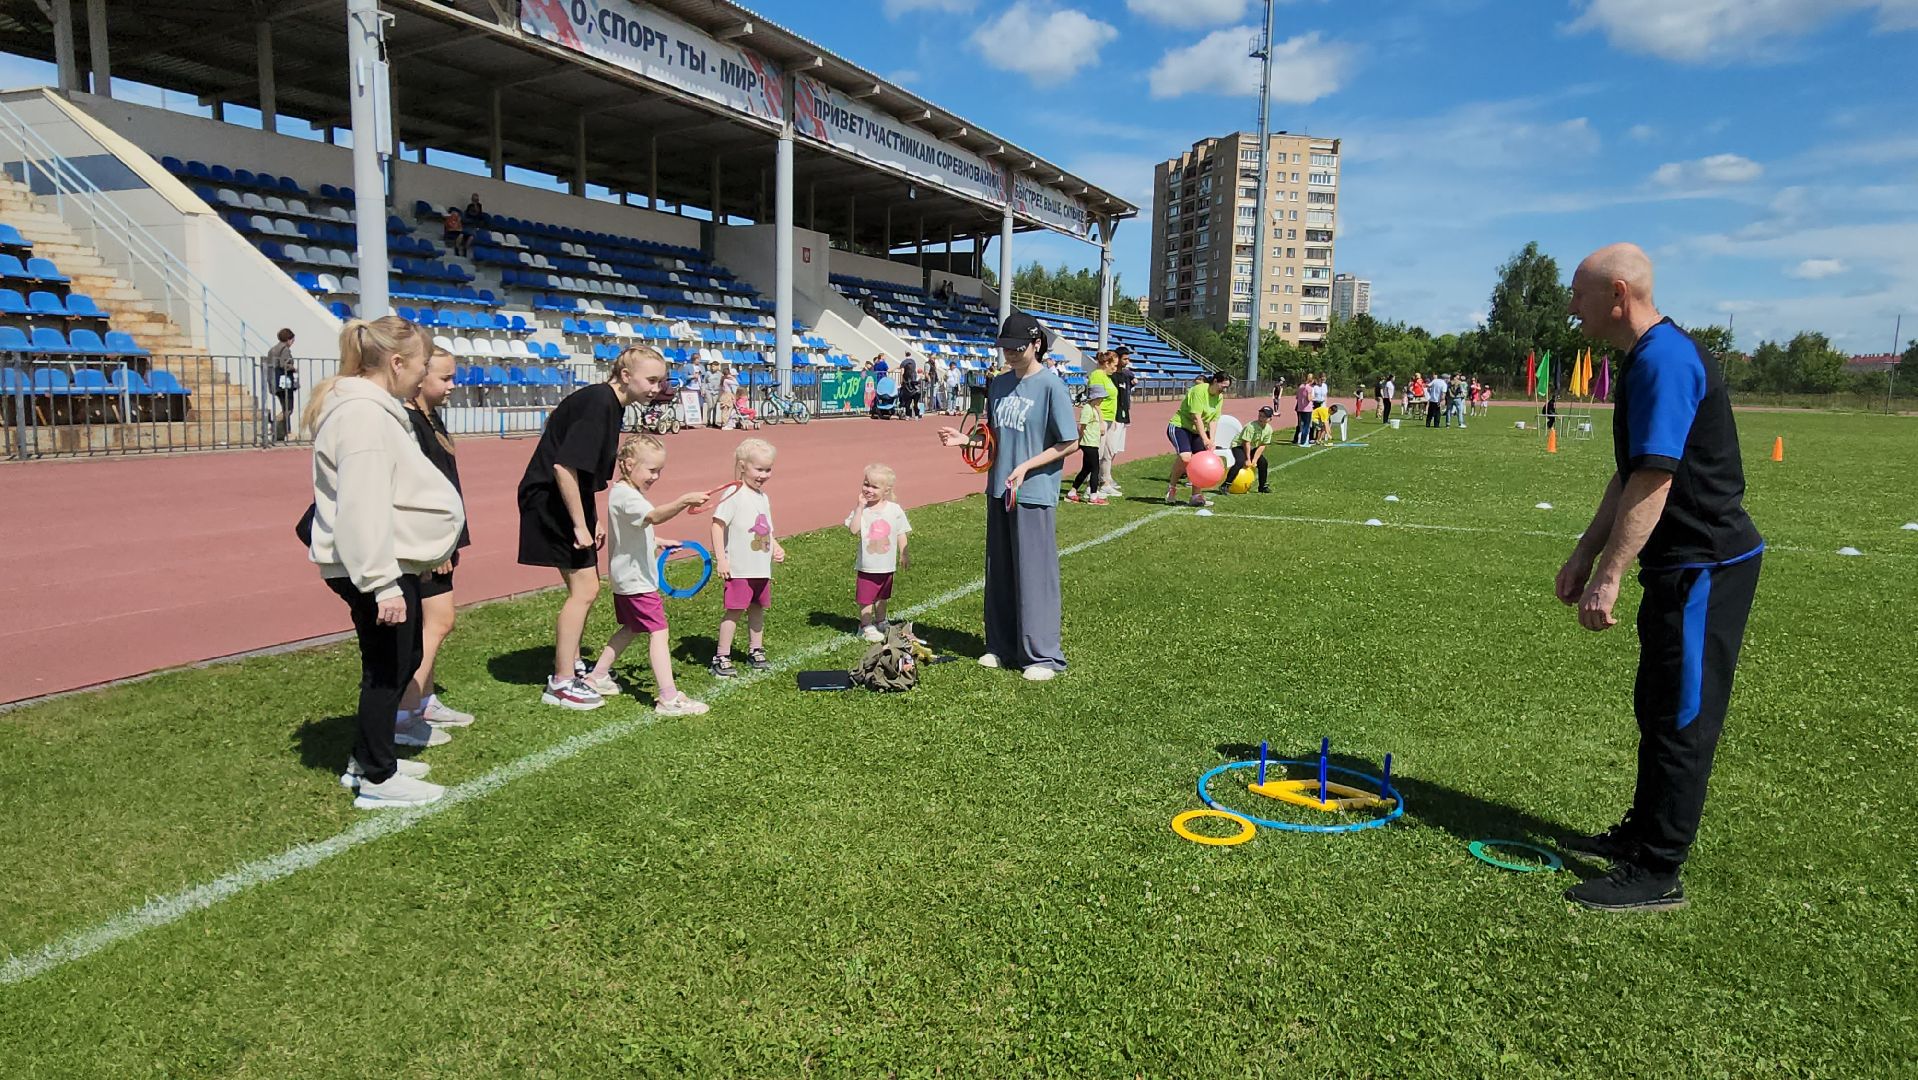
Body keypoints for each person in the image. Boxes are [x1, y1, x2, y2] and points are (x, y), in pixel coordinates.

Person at [1555, 242, 1763, 913]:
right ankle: (1641, 835)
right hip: (1679, 565)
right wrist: (1585, 553)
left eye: (1579, 294)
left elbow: (1655, 478)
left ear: (1618, 294)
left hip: (1706, 565)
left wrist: (1609, 575)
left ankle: (1658, 868)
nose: (1572, 307)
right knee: (1657, 703)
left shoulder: (1665, 359)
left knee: (1681, 715)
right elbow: (1631, 471)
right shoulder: (1646, 357)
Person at [305, 317, 464, 808]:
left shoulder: (375, 410)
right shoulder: (364, 416)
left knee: (401, 660)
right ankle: (377, 777)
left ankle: (368, 759)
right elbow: (363, 504)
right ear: (397, 362)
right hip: (378, 566)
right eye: (421, 364)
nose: (423, 375)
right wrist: (382, 583)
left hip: (391, 560)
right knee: (387, 668)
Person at [517, 346, 670, 711]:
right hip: (550, 500)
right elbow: (563, 467)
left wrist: (591, 517)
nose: (656, 388)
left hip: (564, 499)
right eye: (651, 380)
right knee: (585, 588)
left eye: (660, 381)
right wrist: (579, 524)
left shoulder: (611, 405)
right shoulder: (600, 403)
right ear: (625, 376)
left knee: (584, 587)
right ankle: (561, 682)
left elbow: (580, 470)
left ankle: (571, 665)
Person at [937, 312, 1077, 681]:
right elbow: (995, 436)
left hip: (1033, 491)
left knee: (1034, 575)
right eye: (1006, 348)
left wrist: (1027, 466)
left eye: (1017, 348)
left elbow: (1069, 442)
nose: (1010, 354)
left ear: (1036, 344)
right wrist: (966, 441)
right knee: (998, 571)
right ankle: (1000, 645)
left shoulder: (1051, 386)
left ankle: (1043, 656)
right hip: (999, 488)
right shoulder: (998, 385)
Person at [579, 436, 711, 715]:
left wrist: (658, 541)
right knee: (659, 631)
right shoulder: (627, 496)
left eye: (659, 470)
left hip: (626, 578)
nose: (656, 476)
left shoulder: (624, 492)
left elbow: (633, 530)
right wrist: (683, 501)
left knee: (632, 627)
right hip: (636, 580)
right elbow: (654, 516)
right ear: (628, 464)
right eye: (651, 470)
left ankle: (597, 676)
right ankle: (668, 698)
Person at [399, 345, 475, 733]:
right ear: (420, 376)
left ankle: (424, 702)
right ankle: (404, 712)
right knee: (438, 623)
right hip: (429, 545)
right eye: (444, 378)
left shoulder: (430, 418)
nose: (452, 385)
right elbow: (415, 490)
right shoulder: (409, 423)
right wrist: (435, 546)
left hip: (441, 539)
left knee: (433, 624)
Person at [710, 438, 785, 677]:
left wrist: (775, 546)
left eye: (768, 469)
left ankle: (756, 649)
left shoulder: (762, 497)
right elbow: (717, 525)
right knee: (735, 610)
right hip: (739, 568)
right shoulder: (734, 493)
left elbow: (766, 529)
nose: (763, 475)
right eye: (759, 469)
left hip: (760, 568)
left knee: (757, 608)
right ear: (743, 466)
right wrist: (721, 559)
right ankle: (722, 656)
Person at [847, 463, 912, 642]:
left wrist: (904, 553)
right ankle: (865, 626)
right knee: (866, 598)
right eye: (866, 484)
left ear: (886, 490)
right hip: (868, 566)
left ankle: (881, 621)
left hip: (887, 564)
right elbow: (853, 530)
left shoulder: (894, 509)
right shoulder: (863, 510)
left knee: (883, 596)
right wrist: (859, 508)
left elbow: (901, 532)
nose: (868, 489)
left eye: (874, 487)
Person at [1166, 370, 1231, 507]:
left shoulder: (1219, 397)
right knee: (1186, 457)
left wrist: (1211, 440)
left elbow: (1213, 420)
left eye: (1227, 387)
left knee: (1199, 460)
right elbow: (1196, 417)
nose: (1224, 390)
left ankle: (1196, 495)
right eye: (1223, 386)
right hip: (1180, 426)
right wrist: (1205, 439)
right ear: (1215, 381)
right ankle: (1171, 488)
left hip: (1198, 430)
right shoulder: (1199, 391)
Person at [1065, 383, 1108, 505]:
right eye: (1100, 398)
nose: (1102, 400)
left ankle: (1072, 492)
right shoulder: (1087, 409)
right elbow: (1082, 426)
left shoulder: (1094, 409)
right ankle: (1093, 496)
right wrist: (1080, 440)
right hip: (1089, 443)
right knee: (1095, 469)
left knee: (1086, 469)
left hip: (1092, 443)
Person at [1104, 347, 1136, 497]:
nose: (1127, 362)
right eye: (1125, 359)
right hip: (1114, 417)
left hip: (1123, 416)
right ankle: (1103, 478)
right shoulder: (1111, 376)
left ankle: (1106, 475)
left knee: (1115, 449)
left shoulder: (1124, 375)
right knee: (1108, 449)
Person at [1223, 405, 1277, 493]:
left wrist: (1254, 460)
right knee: (1240, 461)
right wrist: (1248, 459)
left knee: (1263, 462)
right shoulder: (1251, 426)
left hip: (1252, 447)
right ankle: (1226, 485)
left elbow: (1262, 445)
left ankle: (1262, 486)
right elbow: (1246, 443)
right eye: (1260, 415)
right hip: (1239, 446)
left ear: (1270, 419)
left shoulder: (1269, 430)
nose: (1261, 418)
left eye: (1264, 417)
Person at [267, 327, 298, 442]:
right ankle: (277, 426)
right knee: (288, 409)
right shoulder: (285, 349)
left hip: (274, 382)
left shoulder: (272, 349)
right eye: (292, 340)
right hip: (284, 382)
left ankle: (280, 432)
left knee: (285, 408)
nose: (293, 342)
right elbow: (283, 364)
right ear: (288, 339)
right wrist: (293, 368)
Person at [1293, 373, 1315, 446]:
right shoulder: (1309, 388)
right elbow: (1309, 398)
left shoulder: (1301, 387)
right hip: (1307, 409)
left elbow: (1297, 397)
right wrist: (1313, 397)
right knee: (1306, 425)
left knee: (1301, 425)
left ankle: (1299, 439)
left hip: (1300, 408)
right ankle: (1303, 441)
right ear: (1311, 380)